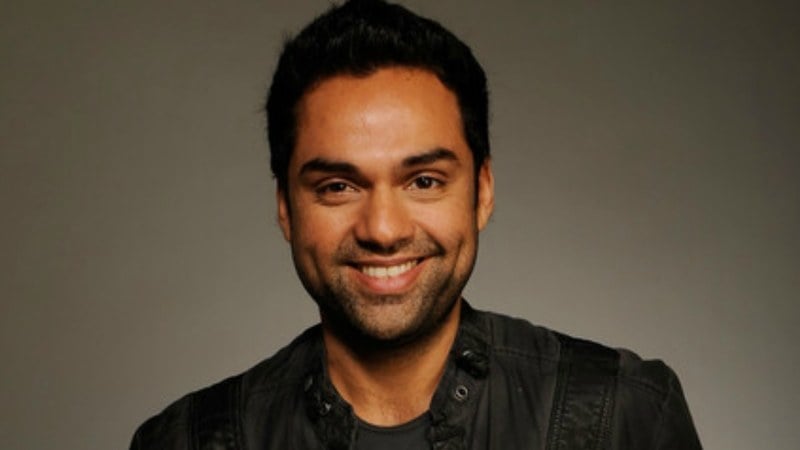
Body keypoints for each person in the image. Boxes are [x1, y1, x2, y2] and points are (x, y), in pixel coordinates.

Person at [130, 0, 702, 448]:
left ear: (482, 191)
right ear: (286, 206)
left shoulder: (624, 416)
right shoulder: (186, 441)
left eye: (424, 181)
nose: (383, 230)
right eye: (338, 186)